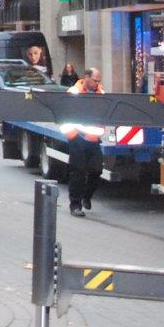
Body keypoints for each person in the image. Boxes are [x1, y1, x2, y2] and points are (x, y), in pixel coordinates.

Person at [61, 68, 105, 217]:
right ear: (86, 77)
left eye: (99, 81)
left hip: (93, 139)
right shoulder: (73, 92)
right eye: (95, 80)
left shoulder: (101, 93)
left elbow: (104, 116)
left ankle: (86, 196)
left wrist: (98, 133)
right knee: (77, 172)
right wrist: (73, 136)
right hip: (77, 138)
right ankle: (75, 205)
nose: (97, 83)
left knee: (97, 170)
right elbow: (64, 117)